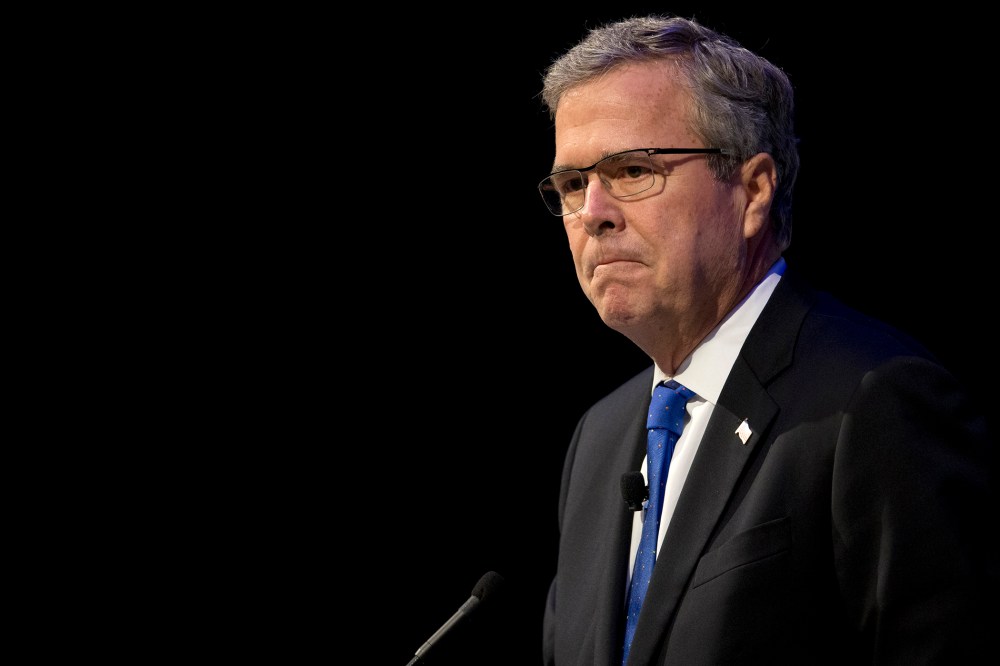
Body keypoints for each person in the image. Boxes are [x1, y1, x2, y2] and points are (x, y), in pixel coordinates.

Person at [537, 14, 996, 665]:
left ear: (752, 190)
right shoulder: (599, 437)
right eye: (573, 184)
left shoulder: (871, 401)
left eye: (633, 169)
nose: (593, 214)